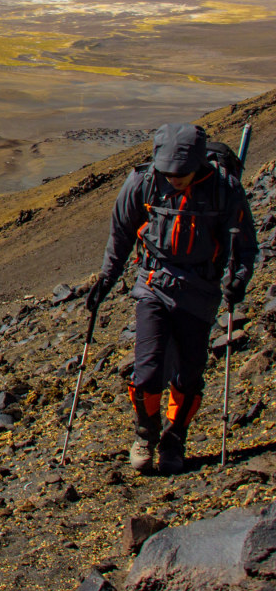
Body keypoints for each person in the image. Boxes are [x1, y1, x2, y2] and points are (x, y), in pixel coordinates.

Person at [86, 122, 258, 474]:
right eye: (168, 172)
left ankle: (175, 437)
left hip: (201, 291)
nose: (175, 179)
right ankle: (146, 433)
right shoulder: (143, 183)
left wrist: (238, 280)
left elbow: (245, 245)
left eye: (182, 173)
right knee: (147, 371)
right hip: (154, 285)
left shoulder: (224, 189)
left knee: (189, 375)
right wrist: (106, 278)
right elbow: (120, 235)